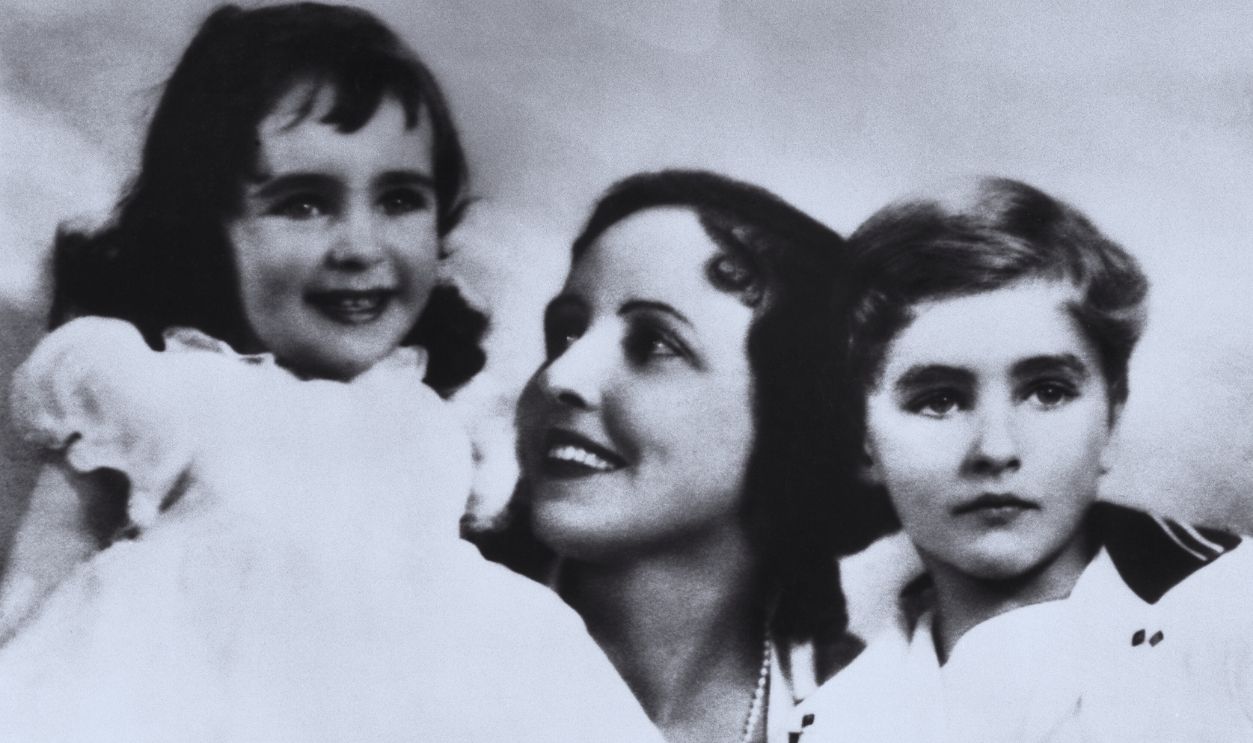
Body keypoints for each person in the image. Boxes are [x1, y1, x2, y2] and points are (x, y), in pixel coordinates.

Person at [0, 5, 662, 741]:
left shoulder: (425, 420)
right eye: (305, 202)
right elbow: (35, 595)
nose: (360, 245)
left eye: (400, 200)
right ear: (205, 225)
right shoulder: (156, 392)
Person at [797, 177, 1253, 742]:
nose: (996, 449)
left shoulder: (1234, 619)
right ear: (860, 436)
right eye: (939, 400)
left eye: (1048, 392)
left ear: (1111, 415)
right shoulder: (828, 723)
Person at [508, 170, 888, 743]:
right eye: (566, 332)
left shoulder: (869, 714)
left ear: (795, 414)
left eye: (654, 344)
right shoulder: (419, 622)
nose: (561, 376)